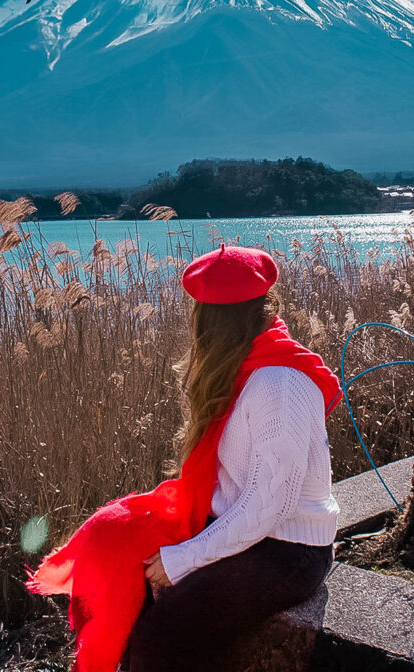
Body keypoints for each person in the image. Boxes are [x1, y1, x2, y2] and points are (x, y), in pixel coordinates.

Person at [120, 243, 343, 672]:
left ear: (210, 322)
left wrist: (183, 559)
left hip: (286, 553)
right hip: (246, 532)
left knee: (162, 635)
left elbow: (266, 507)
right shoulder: (249, 365)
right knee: (128, 577)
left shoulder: (278, 384)